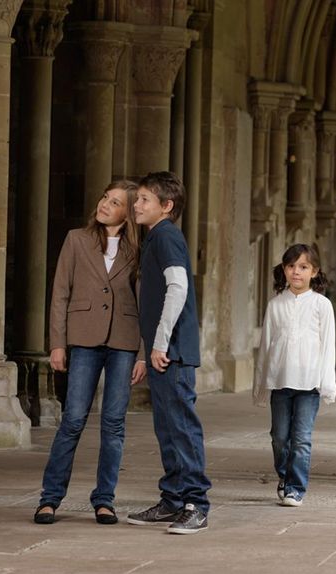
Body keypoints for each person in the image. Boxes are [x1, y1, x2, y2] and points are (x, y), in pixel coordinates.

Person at [34, 180, 144, 525]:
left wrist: (142, 353)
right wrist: (57, 343)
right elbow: (60, 294)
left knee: (114, 423)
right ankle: (50, 498)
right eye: (104, 198)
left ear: (128, 214)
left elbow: (146, 303)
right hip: (83, 339)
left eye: (115, 202)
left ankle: (105, 499)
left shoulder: (139, 249)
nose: (104, 205)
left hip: (124, 341)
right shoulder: (76, 240)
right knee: (73, 420)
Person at [125, 171, 212, 534]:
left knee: (181, 427)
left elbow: (177, 289)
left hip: (173, 351)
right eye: (137, 198)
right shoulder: (156, 237)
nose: (136, 204)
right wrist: (146, 351)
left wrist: (160, 343)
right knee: (167, 428)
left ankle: (196, 504)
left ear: (166, 205)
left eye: (144, 199)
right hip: (163, 351)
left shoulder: (166, 236)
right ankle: (173, 500)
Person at [253, 244, 336, 507]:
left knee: (301, 439)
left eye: (303, 267)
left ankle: (295, 488)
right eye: (291, 266)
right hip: (280, 381)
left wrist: (327, 384)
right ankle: (284, 475)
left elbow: (328, 347)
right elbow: (266, 346)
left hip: (309, 383)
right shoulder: (275, 305)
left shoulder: (322, 305)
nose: (296, 272)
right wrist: (260, 385)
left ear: (314, 271)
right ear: (284, 269)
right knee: (279, 438)